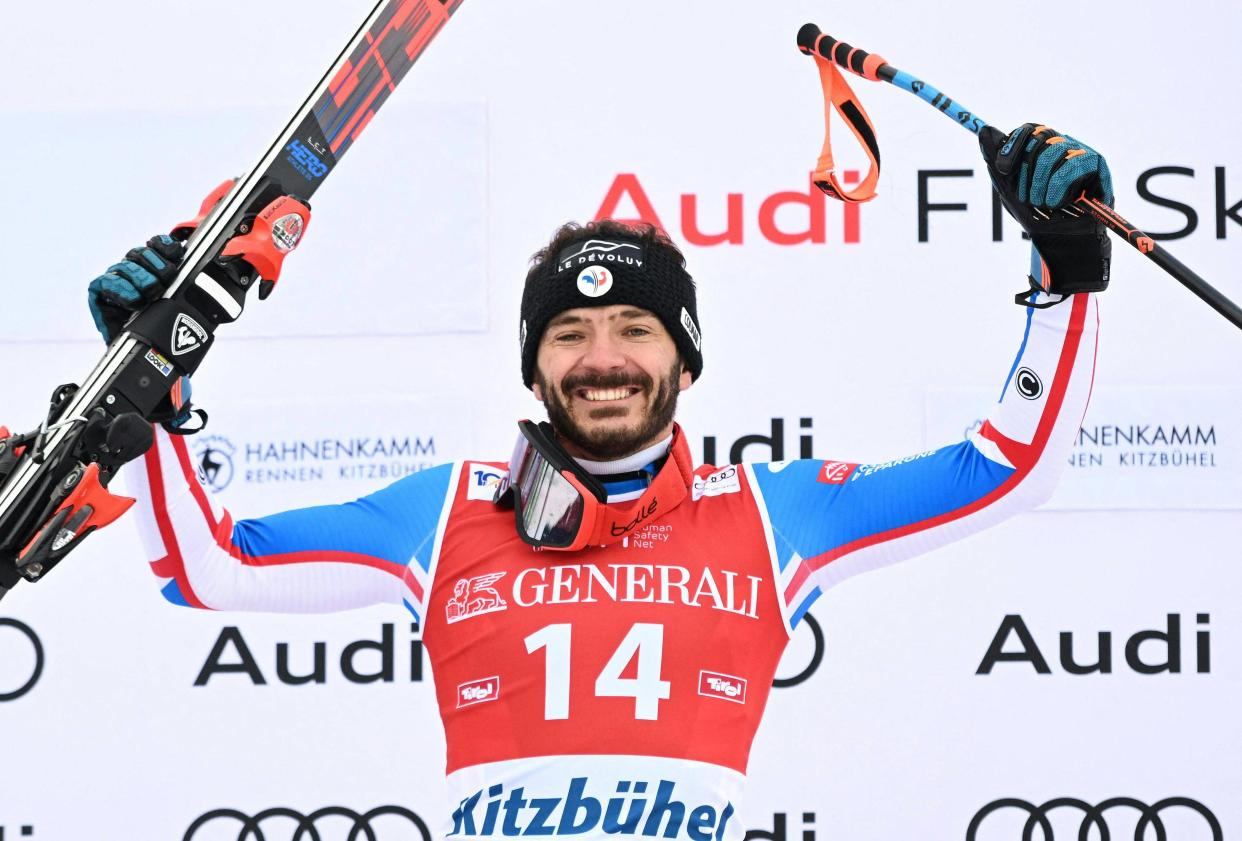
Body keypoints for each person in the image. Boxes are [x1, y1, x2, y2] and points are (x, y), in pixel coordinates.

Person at [88, 123, 1110, 839]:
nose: (601, 356)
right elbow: (209, 567)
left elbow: (1008, 467)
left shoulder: (772, 512)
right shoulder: (447, 509)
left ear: (687, 359)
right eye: (569, 334)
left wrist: (1064, 274)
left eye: (635, 328)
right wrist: (158, 394)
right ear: (534, 368)